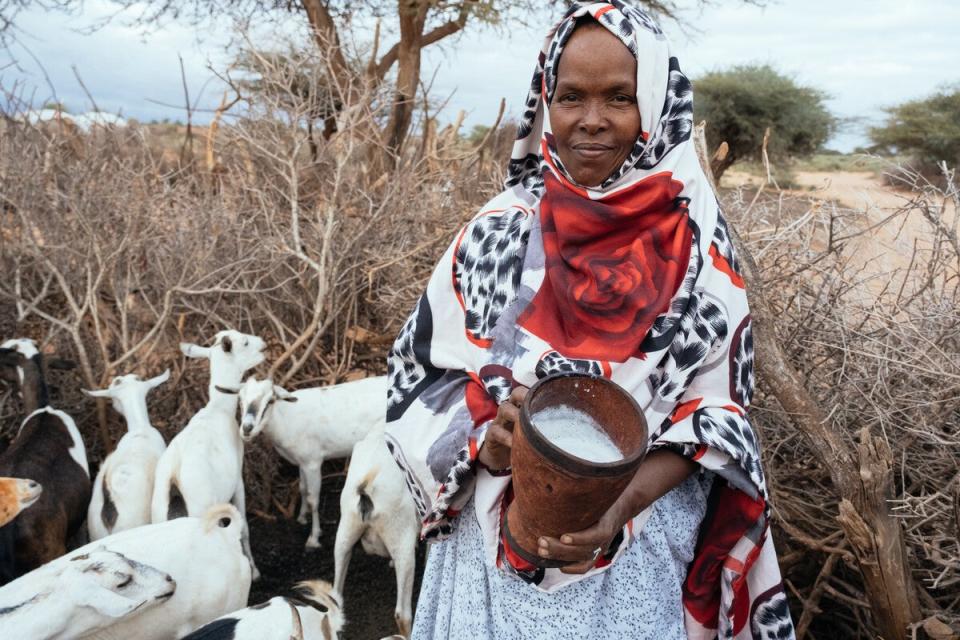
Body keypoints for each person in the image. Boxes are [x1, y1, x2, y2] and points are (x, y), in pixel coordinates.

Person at [384, 2, 795, 638]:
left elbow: (716, 416)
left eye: (620, 98)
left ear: (656, 103)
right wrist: (484, 439)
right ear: (545, 99)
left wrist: (619, 506)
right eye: (571, 96)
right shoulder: (497, 232)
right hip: (486, 550)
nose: (592, 121)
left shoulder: (698, 250)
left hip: (632, 549)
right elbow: (420, 375)